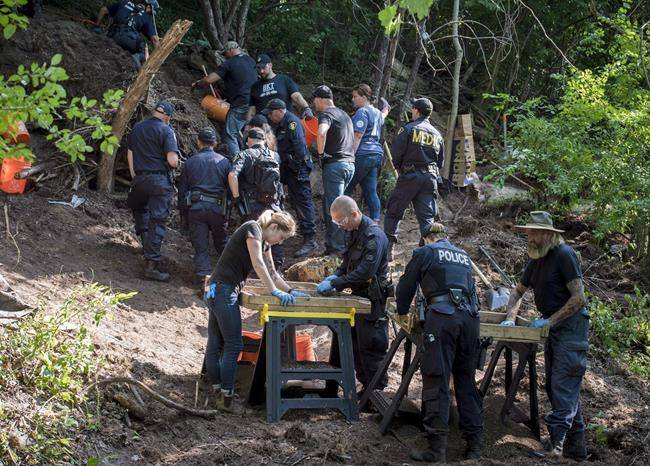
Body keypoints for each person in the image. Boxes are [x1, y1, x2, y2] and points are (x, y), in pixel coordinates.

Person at [500, 211, 589, 461]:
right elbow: (517, 292)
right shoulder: (536, 259)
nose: (528, 236)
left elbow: (579, 298)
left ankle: (557, 450)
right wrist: (510, 316)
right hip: (554, 329)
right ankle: (576, 451)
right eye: (527, 231)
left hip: (571, 328)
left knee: (562, 385)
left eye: (533, 232)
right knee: (558, 387)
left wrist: (550, 321)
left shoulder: (564, 255)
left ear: (548, 234)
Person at [204, 210, 309, 411]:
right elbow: (258, 263)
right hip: (223, 291)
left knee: (216, 342)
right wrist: (274, 292)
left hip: (216, 290)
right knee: (233, 344)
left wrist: (291, 290)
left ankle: (217, 390)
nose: (280, 242)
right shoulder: (253, 228)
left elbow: (272, 272)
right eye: (281, 237)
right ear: (274, 227)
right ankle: (226, 398)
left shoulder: (265, 242)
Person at [395, 223, 483, 463]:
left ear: (425, 238)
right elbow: (473, 291)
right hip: (470, 320)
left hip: (444, 317)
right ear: (445, 237)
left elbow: (405, 287)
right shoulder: (463, 256)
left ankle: (437, 451)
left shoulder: (425, 252)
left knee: (437, 378)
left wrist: (401, 310)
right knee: (466, 380)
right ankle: (474, 448)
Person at [315, 196, 390, 397]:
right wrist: (335, 275)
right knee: (356, 346)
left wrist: (336, 283)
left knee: (371, 347)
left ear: (354, 214)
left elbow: (365, 271)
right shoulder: (354, 232)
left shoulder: (374, 236)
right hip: (357, 299)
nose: (341, 227)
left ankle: (377, 393)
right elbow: (346, 263)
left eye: (342, 222)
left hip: (372, 301)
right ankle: (366, 390)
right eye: (337, 223)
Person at [384, 97, 444, 261]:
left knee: (394, 212)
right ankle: (429, 253)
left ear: (416, 111)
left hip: (410, 176)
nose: (411, 111)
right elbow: (440, 162)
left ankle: (388, 252)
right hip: (430, 178)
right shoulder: (437, 134)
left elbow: (396, 154)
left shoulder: (408, 129)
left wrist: (400, 168)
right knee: (427, 219)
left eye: (413, 109)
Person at [126, 101, 179, 282]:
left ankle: (145, 240)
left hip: (140, 178)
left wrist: (135, 175)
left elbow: (130, 154)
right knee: (158, 220)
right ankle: (151, 265)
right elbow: (172, 161)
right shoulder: (166, 131)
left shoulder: (138, 128)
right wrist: (177, 162)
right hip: (159, 181)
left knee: (140, 207)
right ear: (167, 117)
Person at [177, 127, 231, 288]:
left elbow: (182, 192)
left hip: (197, 209)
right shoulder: (224, 162)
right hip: (218, 209)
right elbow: (230, 189)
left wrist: (184, 215)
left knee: (201, 247)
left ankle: (203, 280)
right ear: (214, 143)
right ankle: (229, 275)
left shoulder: (190, 162)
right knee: (222, 243)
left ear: (198, 142)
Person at [266, 98, 317, 258]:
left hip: (297, 169)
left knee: (303, 201)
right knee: (295, 202)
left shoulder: (291, 123)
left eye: (272, 113)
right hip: (288, 168)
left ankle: (310, 238)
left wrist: (295, 165)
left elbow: (300, 148)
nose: (270, 117)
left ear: (280, 111)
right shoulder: (281, 123)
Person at [228, 128, 285, 268]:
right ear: (264, 140)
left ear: (248, 141)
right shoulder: (275, 156)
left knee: (253, 236)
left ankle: (254, 270)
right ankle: (276, 269)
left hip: (253, 205)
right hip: (273, 204)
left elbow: (232, 175)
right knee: (273, 234)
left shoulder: (245, 154)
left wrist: (236, 197)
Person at [193, 41, 257, 158]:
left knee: (229, 134)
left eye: (225, 53)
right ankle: (249, 159)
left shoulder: (230, 63)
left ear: (230, 50)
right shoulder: (251, 61)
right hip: (254, 103)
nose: (225, 56)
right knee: (246, 133)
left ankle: (239, 164)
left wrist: (198, 83)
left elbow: (209, 80)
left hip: (240, 103)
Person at [313, 85, 355, 255]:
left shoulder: (327, 114)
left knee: (335, 208)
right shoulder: (345, 115)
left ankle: (338, 249)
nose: (314, 104)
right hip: (349, 165)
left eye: (315, 100)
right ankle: (333, 244)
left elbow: (321, 133)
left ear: (321, 100)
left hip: (335, 165)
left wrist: (321, 154)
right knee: (333, 205)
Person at [344, 84, 390, 223]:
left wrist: (350, 156)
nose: (353, 99)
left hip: (363, 154)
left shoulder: (362, 112)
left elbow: (358, 135)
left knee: (346, 188)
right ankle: (375, 221)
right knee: (370, 190)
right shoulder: (376, 112)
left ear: (364, 97)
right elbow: (384, 114)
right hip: (376, 155)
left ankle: (345, 220)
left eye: (355, 96)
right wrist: (386, 108)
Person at [96, 0, 160, 69]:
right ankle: (136, 62)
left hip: (112, 35)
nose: (150, 14)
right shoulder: (146, 16)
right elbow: (155, 40)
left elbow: (103, 10)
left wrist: (96, 25)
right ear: (148, 7)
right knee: (143, 48)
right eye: (151, 13)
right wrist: (159, 56)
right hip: (127, 40)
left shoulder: (124, 2)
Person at [248, 54, 313, 120]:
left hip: (285, 123)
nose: (261, 71)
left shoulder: (284, 79)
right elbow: (252, 110)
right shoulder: (255, 86)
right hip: (264, 126)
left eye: (263, 67)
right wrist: (248, 124)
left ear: (270, 65)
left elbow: (296, 96)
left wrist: (306, 108)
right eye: (258, 68)